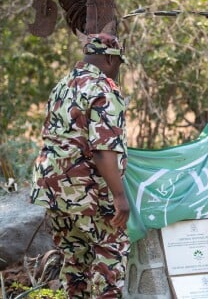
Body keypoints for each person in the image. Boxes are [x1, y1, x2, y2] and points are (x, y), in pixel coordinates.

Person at [30, 31, 130, 299]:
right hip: (88, 192)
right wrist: (120, 196)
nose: (118, 68)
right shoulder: (104, 89)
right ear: (109, 58)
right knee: (111, 256)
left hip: (53, 188)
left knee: (74, 260)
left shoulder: (62, 85)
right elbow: (102, 149)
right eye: (118, 62)